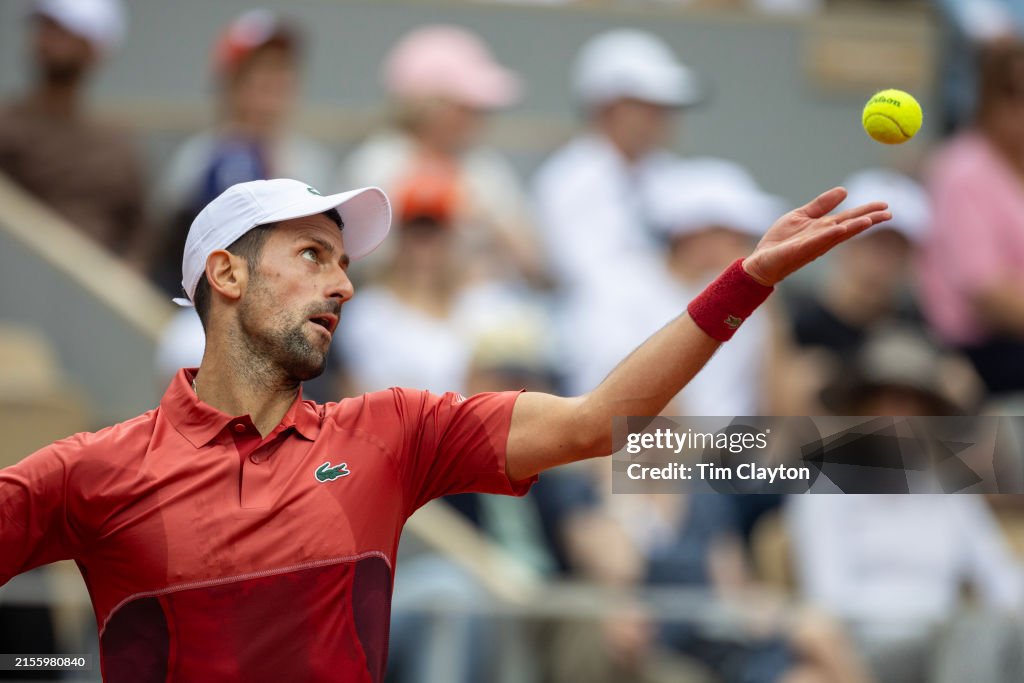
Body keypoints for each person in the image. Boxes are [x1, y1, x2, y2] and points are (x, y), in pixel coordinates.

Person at [0, 175, 890, 681]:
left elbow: (596, 422)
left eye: (345, 263)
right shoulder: (94, 469)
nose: (344, 283)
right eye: (313, 255)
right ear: (226, 276)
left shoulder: (394, 430)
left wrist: (745, 282)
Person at [788, 326, 1022, 683]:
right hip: (866, 650)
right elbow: (827, 600)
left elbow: (1002, 580)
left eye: (910, 406)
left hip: (950, 646)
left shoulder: (949, 491)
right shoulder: (825, 488)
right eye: (884, 404)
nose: (896, 419)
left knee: (986, 636)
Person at [338, 24, 545, 287]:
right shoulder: (378, 164)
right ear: (428, 107)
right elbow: (358, 265)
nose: (478, 119)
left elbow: (533, 264)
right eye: (465, 107)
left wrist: (487, 221)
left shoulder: (484, 167)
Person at [151, 9, 331, 296]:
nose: (273, 81)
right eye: (261, 70)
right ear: (232, 82)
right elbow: (168, 254)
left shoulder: (310, 163)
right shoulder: (199, 159)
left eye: (282, 69)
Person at [0, 0, 148, 267]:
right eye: (44, 26)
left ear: (94, 48)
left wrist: (126, 277)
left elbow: (139, 233)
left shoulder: (117, 150)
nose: (48, 38)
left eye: (63, 30)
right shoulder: (6, 126)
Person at [918, 40, 1024, 396]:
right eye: (1012, 93)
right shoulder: (962, 170)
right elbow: (986, 291)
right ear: (988, 98)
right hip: (980, 353)